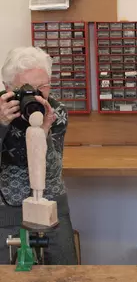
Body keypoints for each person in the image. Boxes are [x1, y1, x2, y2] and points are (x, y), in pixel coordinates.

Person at [0, 46, 77, 264]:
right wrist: (1, 126)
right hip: (5, 212)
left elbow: (51, 173)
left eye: (43, 87)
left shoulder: (55, 111)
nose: (35, 96)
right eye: (26, 89)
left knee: (64, 273)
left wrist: (44, 133)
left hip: (50, 208)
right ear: (7, 87)